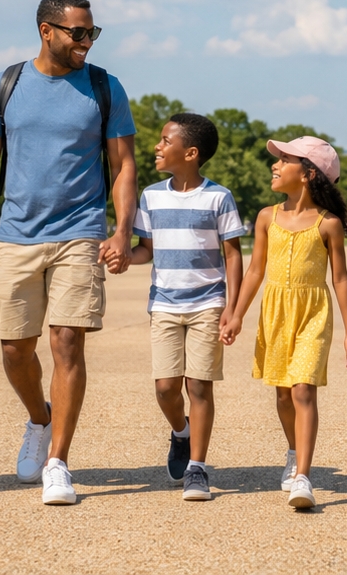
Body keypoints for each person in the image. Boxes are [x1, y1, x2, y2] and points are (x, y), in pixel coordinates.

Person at [0, 0, 137, 507]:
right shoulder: (7, 84)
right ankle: (39, 418)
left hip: (81, 232)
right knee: (14, 348)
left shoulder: (104, 87)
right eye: (78, 33)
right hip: (16, 235)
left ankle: (58, 460)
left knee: (67, 344)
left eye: (92, 33)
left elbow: (123, 165)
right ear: (46, 30)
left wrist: (121, 229)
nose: (86, 42)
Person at [221, 136, 347, 510]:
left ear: (308, 174)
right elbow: (254, 271)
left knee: (302, 390)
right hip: (276, 312)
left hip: (313, 312)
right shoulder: (267, 217)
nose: (275, 165)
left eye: (284, 160)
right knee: (283, 393)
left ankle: (303, 476)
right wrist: (236, 314)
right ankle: (294, 450)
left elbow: (340, 279)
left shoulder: (328, 224)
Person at [126, 113, 245, 501]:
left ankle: (198, 468)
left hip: (208, 303)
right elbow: (147, 249)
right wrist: (125, 257)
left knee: (199, 385)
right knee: (165, 388)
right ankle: (181, 432)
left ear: (190, 153)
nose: (157, 147)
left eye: (165, 140)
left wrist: (232, 307)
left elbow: (233, 255)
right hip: (164, 302)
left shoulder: (218, 197)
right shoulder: (151, 196)